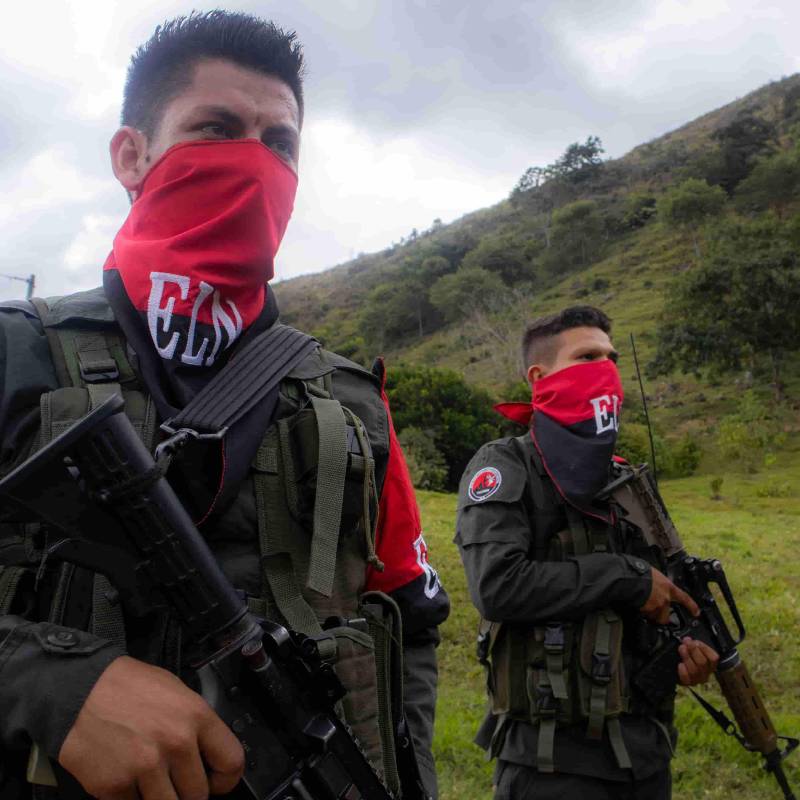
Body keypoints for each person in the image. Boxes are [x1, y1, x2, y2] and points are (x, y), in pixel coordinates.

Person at [0, 12, 449, 800]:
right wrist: (47, 681)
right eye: (217, 128)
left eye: (280, 144)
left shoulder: (349, 400)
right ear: (131, 155)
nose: (254, 161)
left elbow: (405, 624)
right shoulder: (16, 351)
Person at [455, 306, 718, 800]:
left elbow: (662, 595)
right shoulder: (505, 465)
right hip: (552, 764)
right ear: (540, 376)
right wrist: (625, 578)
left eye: (611, 358)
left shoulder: (626, 478)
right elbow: (497, 585)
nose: (606, 370)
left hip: (645, 754)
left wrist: (687, 654)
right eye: (588, 356)